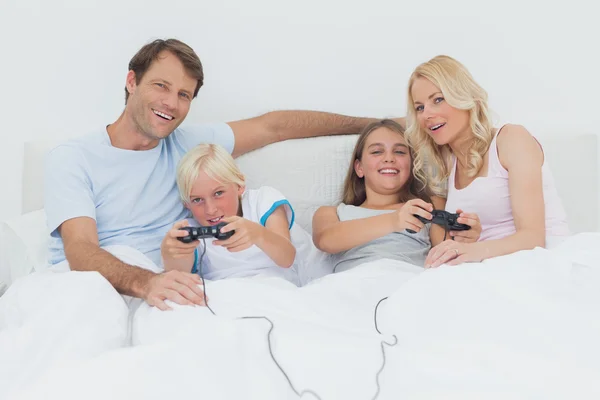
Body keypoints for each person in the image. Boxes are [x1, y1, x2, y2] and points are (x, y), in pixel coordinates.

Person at [43, 38, 391, 310]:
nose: (171, 103)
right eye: (160, 86)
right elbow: (81, 251)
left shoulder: (190, 146)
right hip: (97, 285)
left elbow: (275, 126)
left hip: (169, 290)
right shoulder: (73, 158)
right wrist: (146, 283)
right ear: (132, 81)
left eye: (184, 95)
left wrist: (376, 125)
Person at [404, 55, 570, 269]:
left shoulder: (511, 139)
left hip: (543, 261)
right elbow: (448, 242)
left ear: (462, 97)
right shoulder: (444, 162)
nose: (427, 114)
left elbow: (533, 238)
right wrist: (464, 240)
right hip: (488, 267)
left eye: (438, 99)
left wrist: (473, 251)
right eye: (419, 108)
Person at [311, 119, 482, 273]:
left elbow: (445, 256)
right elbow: (326, 241)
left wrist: (465, 239)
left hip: (407, 286)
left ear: (410, 164)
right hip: (351, 287)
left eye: (400, 152)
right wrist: (394, 221)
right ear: (359, 167)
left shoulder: (429, 205)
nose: (389, 158)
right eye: (377, 151)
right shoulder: (332, 212)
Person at [160, 144, 298, 300]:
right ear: (187, 204)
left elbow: (288, 258)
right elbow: (180, 275)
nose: (210, 209)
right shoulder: (189, 230)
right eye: (197, 200)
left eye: (218, 193)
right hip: (224, 296)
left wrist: (258, 234)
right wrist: (170, 254)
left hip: (275, 290)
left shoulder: (262, 201)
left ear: (239, 185)